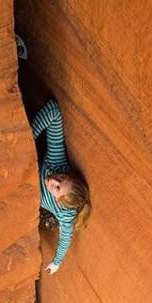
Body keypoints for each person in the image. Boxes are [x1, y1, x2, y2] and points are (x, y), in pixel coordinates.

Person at [31, 98, 91, 274]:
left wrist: (56, 263)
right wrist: (29, 137)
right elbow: (54, 111)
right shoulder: (58, 164)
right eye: (62, 178)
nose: (54, 180)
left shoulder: (65, 215)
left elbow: (65, 239)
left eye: (57, 188)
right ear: (68, 173)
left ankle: (46, 218)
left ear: (58, 202)